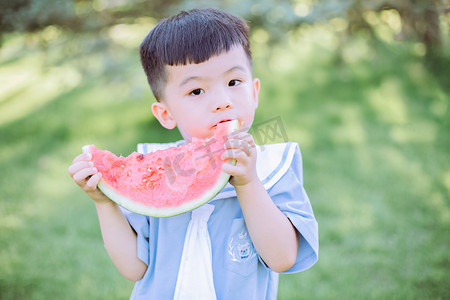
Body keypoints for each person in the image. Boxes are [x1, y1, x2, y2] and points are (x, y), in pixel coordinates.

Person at [68, 8, 318, 299]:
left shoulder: (275, 166)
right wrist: (104, 202)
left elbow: (283, 257)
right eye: (197, 91)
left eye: (234, 82)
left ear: (255, 91)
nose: (222, 102)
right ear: (165, 113)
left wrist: (249, 183)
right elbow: (134, 268)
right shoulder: (156, 173)